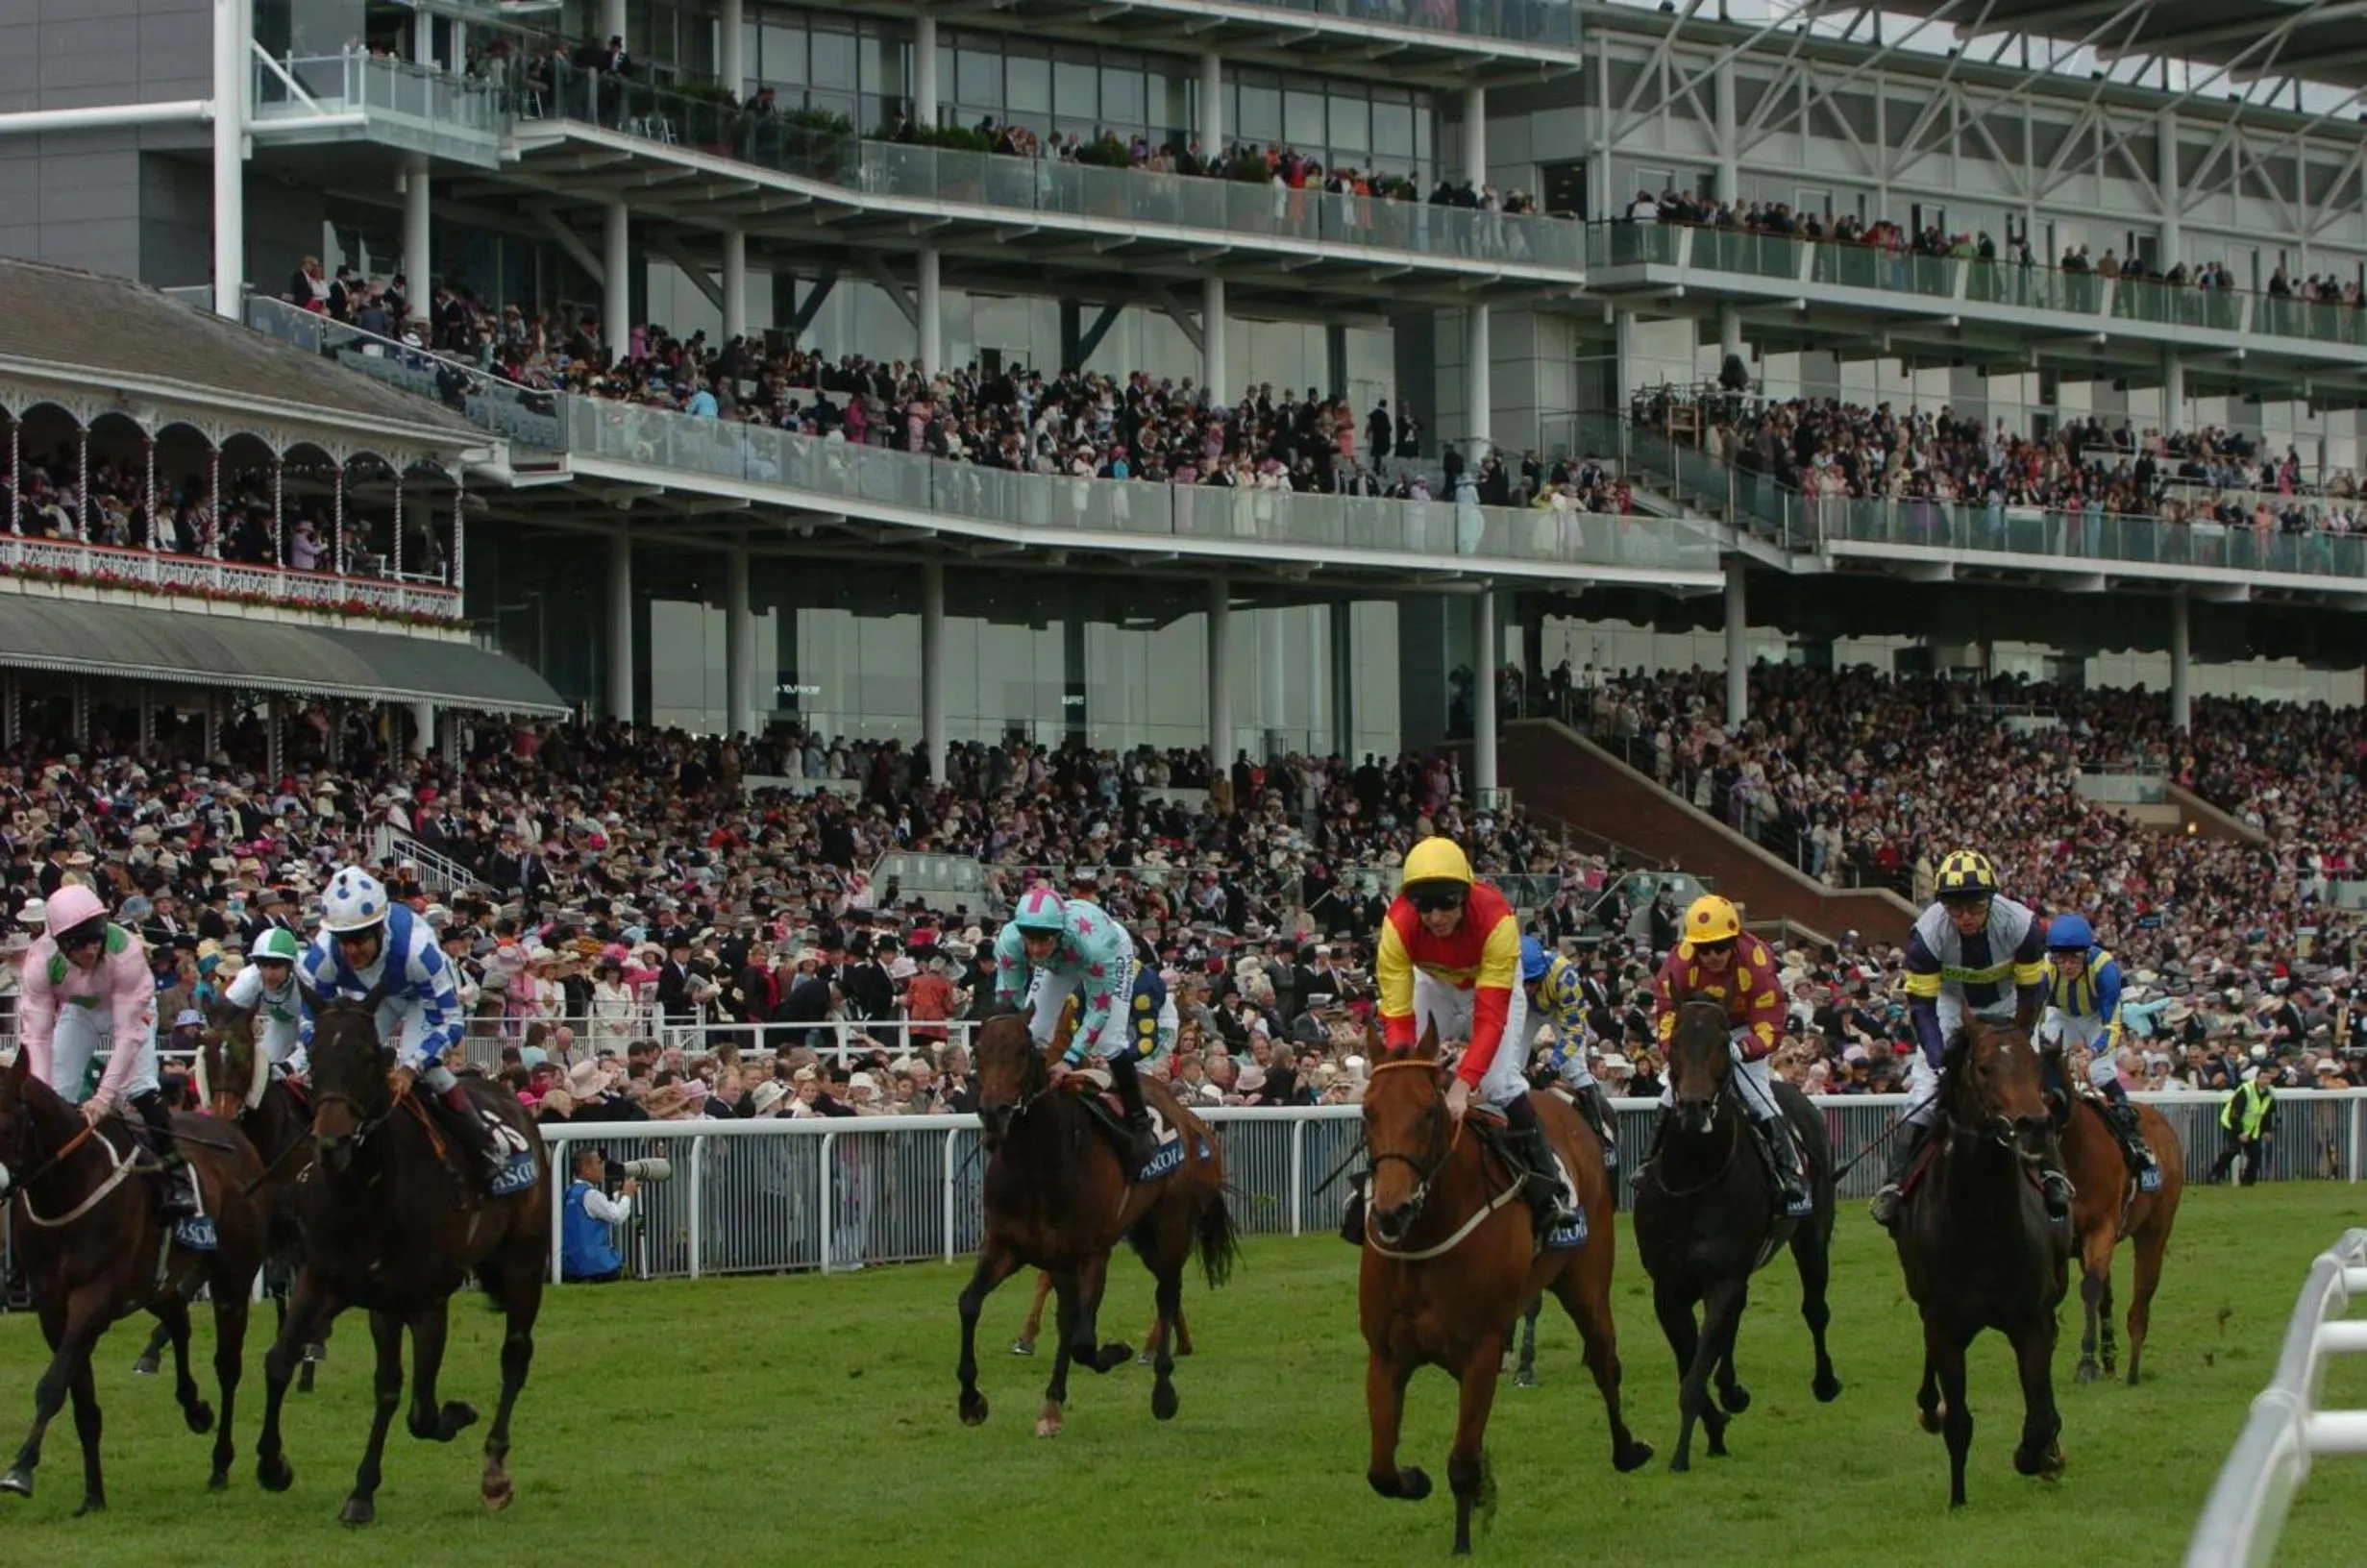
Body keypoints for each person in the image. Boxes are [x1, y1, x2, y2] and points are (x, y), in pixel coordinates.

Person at [1373, 837, 1576, 1228]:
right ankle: (1375, 1187)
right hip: (1433, 984)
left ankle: (1549, 1187)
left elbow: (1490, 1020)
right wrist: (1406, 1075)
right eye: (1424, 906)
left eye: (1446, 903)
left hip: (1491, 988)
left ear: (1465, 896)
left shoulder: (1496, 919)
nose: (1435, 916)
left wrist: (1462, 1086)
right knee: (1398, 1083)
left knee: (1499, 1083)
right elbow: (1397, 1018)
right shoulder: (1396, 925)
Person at [1870, 849, 2067, 1228]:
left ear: (1991, 899)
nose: (1965, 917)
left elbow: (2032, 994)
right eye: (1955, 908)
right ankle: (1895, 1184)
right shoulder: (1927, 936)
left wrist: (2020, 1041)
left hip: (2010, 1002)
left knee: (2029, 1086)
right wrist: (1937, 1056)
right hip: (1950, 1004)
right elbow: (1922, 1006)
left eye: (1975, 907)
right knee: (1924, 1088)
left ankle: (2053, 1176)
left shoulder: (2022, 926)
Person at [297, 866, 505, 1187]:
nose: (350, 950)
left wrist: (410, 1068)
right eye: (343, 940)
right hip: (375, 998)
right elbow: (308, 1018)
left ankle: (483, 1145)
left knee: (426, 1070)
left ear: (380, 929)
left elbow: (451, 1022)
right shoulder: (322, 955)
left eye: (359, 940)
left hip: (421, 999)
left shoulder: (417, 950)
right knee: (345, 1060)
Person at [14, 883, 194, 1213]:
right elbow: (36, 1036)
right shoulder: (40, 961)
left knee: (139, 1087)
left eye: (95, 940)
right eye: (79, 945)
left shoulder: (125, 951)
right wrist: (38, 1088)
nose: (90, 951)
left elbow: (127, 1035)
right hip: (80, 1009)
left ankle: (178, 1177)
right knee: (54, 1092)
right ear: (60, 942)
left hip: (131, 1011)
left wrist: (103, 1097)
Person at [990, 886, 1175, 1167]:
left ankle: (1139, 1124)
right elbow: (1009, 1005)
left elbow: (1098, 1010)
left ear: (1059, 933)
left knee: (1110, 1041)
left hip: (1107, 954)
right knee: (1034, 1032)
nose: (1036, 949)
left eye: (1044, 940)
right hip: (1061, 962)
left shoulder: (1093, 946)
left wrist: (1069, 1059)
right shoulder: (1009, 941)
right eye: (1031, 940)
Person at [1645, 894, 1806, 1214]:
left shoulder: (1756, 960)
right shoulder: (1680, 962)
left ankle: (1790, 1172)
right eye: (1704, 949)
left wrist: (1744, 1048)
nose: (1712, 956)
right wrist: (1673, 1048)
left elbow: (1770, 1023)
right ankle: (1647, 1162)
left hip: (1744, 1028)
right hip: (1697, 1032)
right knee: (1669, 1094)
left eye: (1720, 947)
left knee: (1757, 1094)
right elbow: (1666, 1010)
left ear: (1734, 940)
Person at [2036, 913, 2157, 1181]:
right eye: (2060, 959)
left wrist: (2091, 1052)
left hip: (2096, 1017)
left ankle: (2136, 1142)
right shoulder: (2045, 969)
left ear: (2087, 953)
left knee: (2100, 1072)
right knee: (2040, 1057)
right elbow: (2034, 1013)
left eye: (2074, 958)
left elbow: (2111, 1025)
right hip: (2061, 1014)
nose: (2066, 966)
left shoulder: (2105, 969)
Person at [1520, 935, 1617, 1168]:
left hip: (1560, 1010)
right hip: (1527, 1010)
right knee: (1511, 1065)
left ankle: (1602, 1136)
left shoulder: (1566, 977)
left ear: (1543, 971)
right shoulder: (1510, 977)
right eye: (1522, 981)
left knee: (1574, 1069)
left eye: (1532, 981)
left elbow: (1574, 1032)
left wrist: (1553, 1064)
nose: (1528, 988)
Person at [220, 926, 305, 1109]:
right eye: (264, 966)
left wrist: (292, 1064)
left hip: (317, 1024)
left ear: (290, 966)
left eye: (275, 967)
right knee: (267, 1070)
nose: (268, 974)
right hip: (282, 1023)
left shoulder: (306, 979)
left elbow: (317, 1031)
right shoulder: (249, 978)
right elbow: (226, 1017)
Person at [560, 1147, 636, 1283]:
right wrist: (627, 1195)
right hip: (595, 1266)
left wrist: (619, 1194)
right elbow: (617, 1216)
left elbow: (602, 1206)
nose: (602, 1167)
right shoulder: (591, 1195)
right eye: (599, 1163)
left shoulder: (569, 1193)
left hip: (571, 1266)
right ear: (585, 1168)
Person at [2210, 1069, 2276, 1186]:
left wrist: (2267, 1130)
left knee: (2256, 1153)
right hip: (2232, 1124)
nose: (2266, 1081)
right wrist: (2240, 1132)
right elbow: (2235, 1113)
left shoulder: (2269, 1095)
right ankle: (2215, 1175)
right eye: (2263, 1078)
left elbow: (2266, 1114)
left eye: (2268, 1078)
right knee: (2233, 1150)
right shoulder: (2246, 1090)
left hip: (2251, 1128)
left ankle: (2248, 1181)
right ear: (2257, 1078)